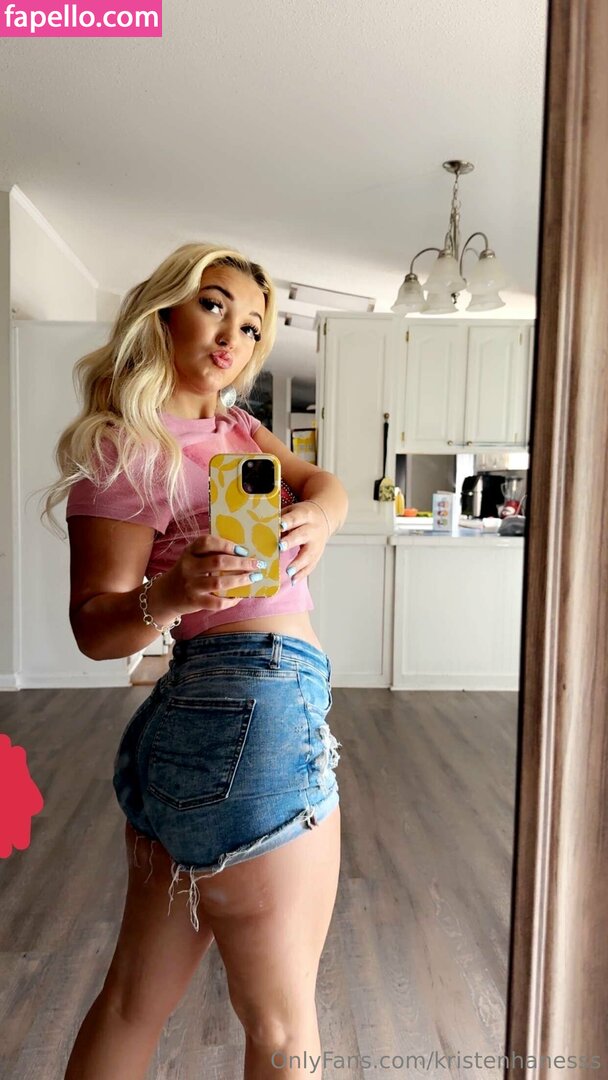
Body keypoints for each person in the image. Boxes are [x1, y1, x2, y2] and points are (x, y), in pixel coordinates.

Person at [40, 241, 349, 1080]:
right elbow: (95, 629)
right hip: (255, 707)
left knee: (134, 1000)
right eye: (214, 306)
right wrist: (175, 591)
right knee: (282, 1025)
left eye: (251, 327)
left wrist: (319, 518)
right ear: (165, 311)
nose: (232, 337)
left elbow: (324, 483)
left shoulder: (237, 430)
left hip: (207, 717)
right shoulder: (127, 448)